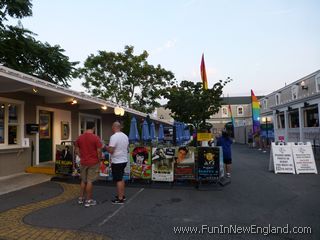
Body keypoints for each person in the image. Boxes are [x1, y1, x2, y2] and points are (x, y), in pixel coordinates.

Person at [75, 122, 102, 207]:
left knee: (83, 180)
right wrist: (99, 159)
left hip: (83, 162)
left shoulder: (79, 138)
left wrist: (81, 156)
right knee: (90, 181)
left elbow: (76, 150)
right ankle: (88, 200)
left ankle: (80, 198)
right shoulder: (96, 138)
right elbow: (99, 151)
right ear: (93, 128)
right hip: (93, 162)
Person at [105, 122, 129, 204]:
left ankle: (120, 199)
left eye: (112, 126)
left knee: (118, 180)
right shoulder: (125, 136)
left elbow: (111, 150)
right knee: (121, 178)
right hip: (124, 159)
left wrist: (105, 146)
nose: (111, 128)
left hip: (117, 161)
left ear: (114, 127)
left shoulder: (114, 137)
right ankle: (122, 195)